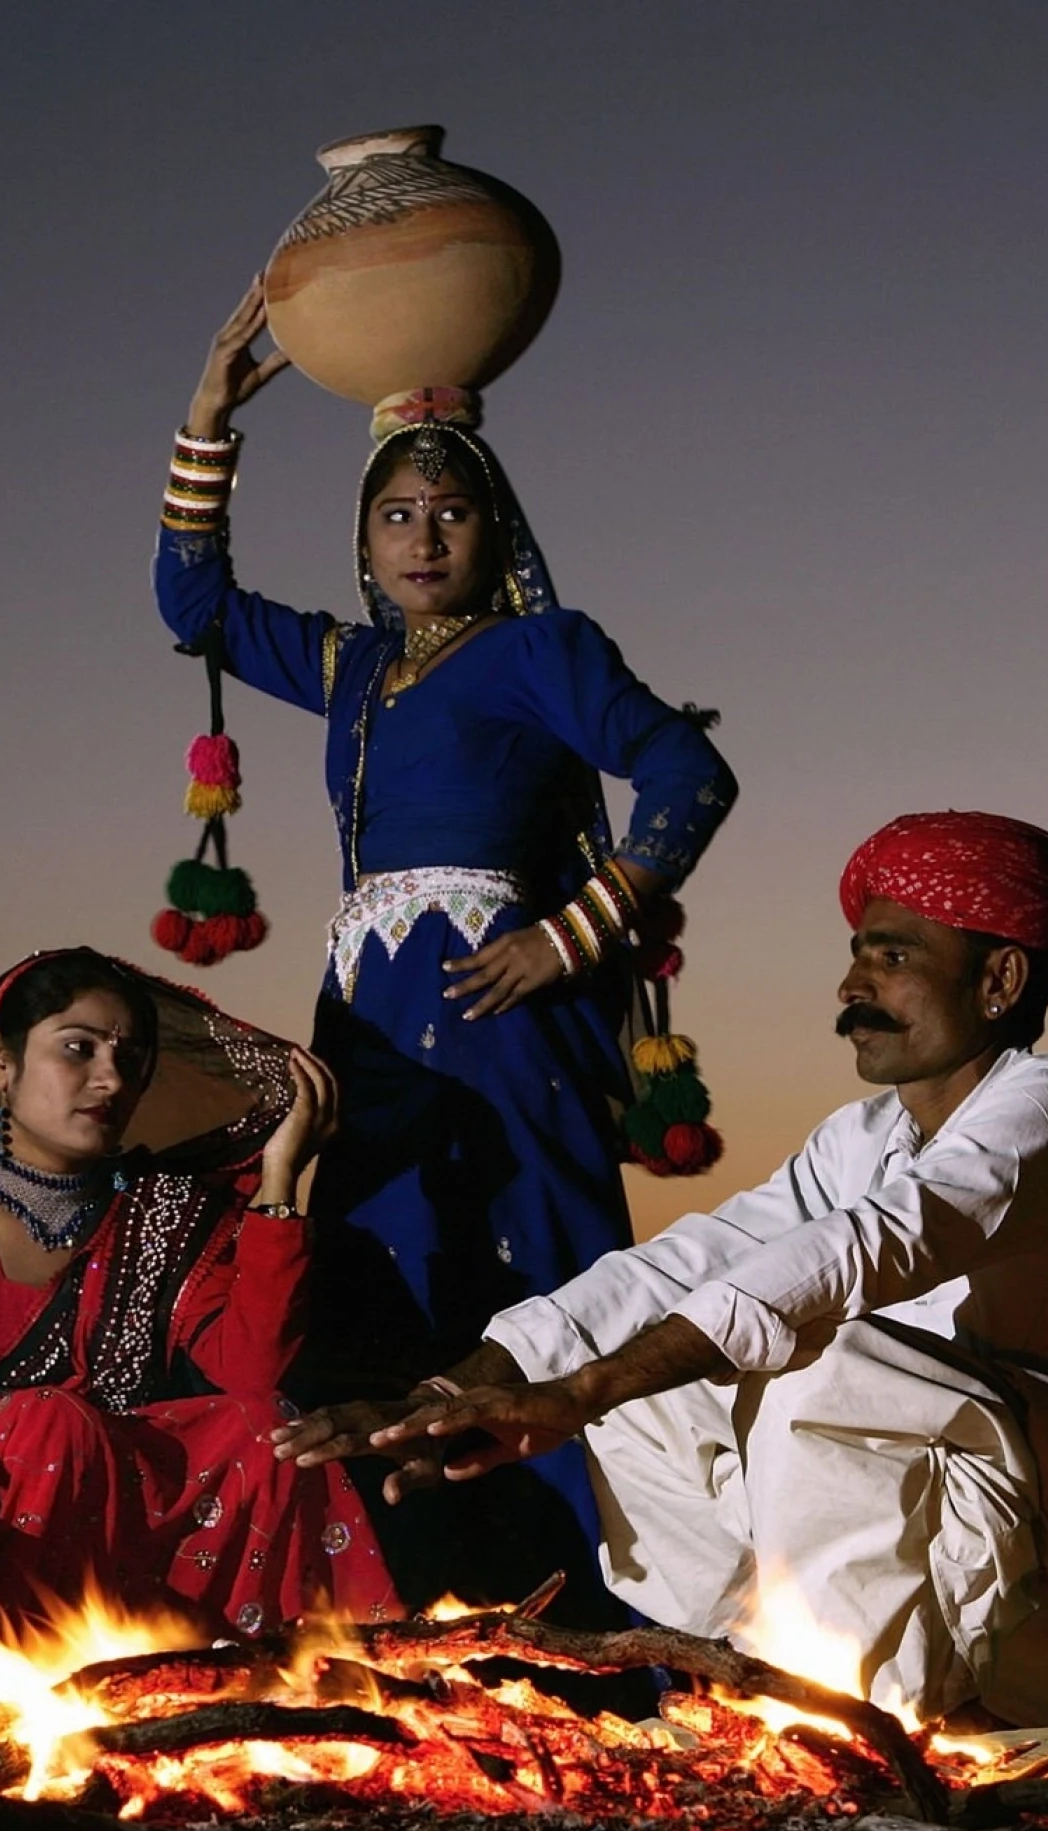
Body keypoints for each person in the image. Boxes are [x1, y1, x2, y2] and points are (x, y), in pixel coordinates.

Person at [279, 813, 1048, 1734]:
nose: (849, 985)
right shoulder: (860, 1134)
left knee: (814, 1360)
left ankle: (840, 1721)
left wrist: (581, 1388)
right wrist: (456, 1390)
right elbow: (684, 1263)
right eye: (853, 954)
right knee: (650, 1380)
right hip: (989, 1555)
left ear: (1000, 977)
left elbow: (856, 1251)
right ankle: (764, 1684)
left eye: (888, 956)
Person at [155, 280, 738, 1591]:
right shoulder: (350, 671)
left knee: (538, 1287)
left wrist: (574, 934)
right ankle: (422, 1611)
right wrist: (206, 421)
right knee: (375, 1294)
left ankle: (597, 1627)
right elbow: (189, 607)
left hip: (500, 1025)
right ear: (363, 539)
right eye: (396, 513)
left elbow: (685, 774)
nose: (423, 537)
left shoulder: (539, 650)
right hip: (368, 1035)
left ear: (494, 527)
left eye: (451, 510)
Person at [0, 950, 401, 1638]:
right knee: (50, 1421)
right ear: (0, 1060)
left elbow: (253, 1372)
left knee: (270, 1426)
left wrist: (279, 1183)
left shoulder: (164, 1212)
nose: (109, 1079)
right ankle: (38, 1687)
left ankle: (288, 1675)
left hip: (129, 1497)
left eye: (131, 1060)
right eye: (77, 1049)